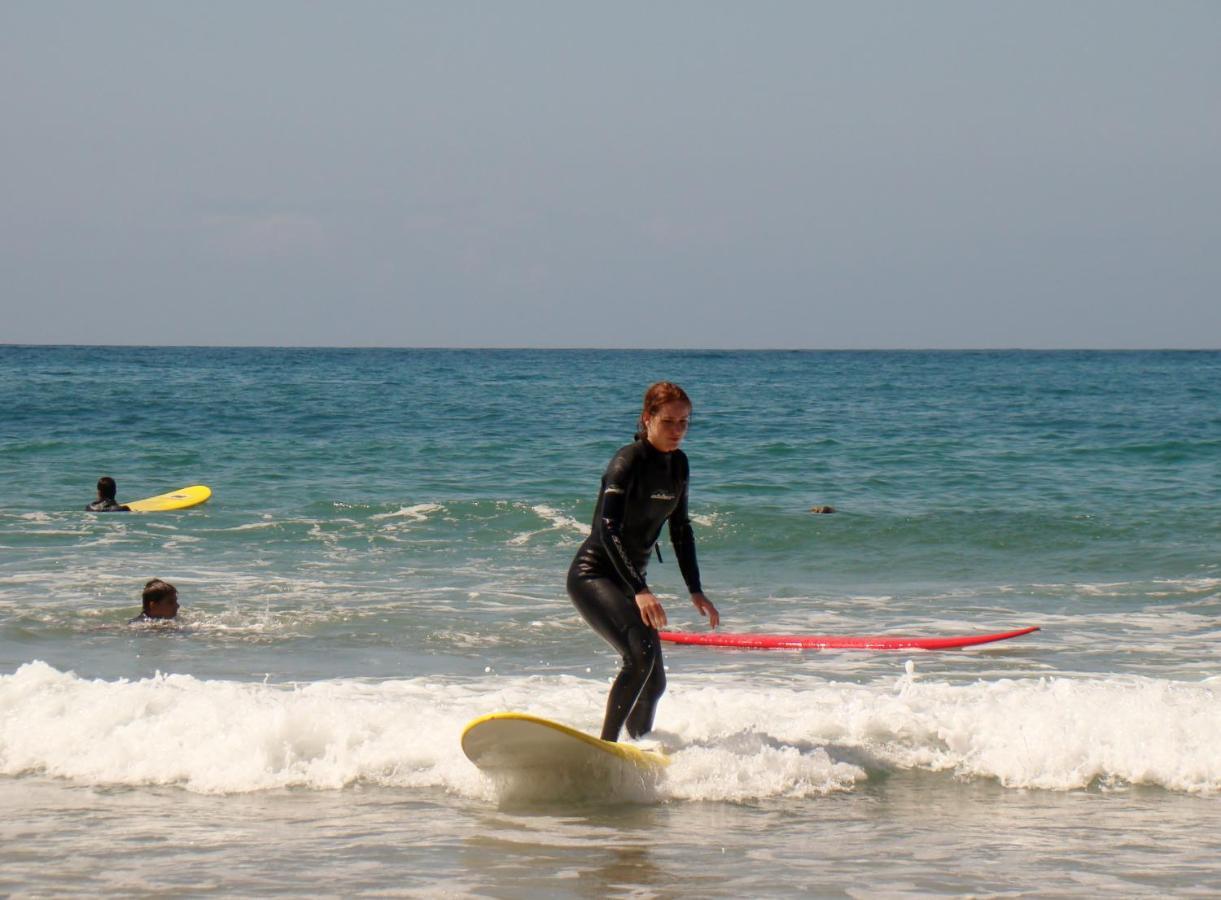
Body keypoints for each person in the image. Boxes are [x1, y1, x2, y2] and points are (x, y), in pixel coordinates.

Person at [567, 381, 719, 742]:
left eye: (684, 422)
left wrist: (695, 590)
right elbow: (608, 530)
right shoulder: (627, 462)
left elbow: (680, 529)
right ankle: (605, 746)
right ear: (646, 419)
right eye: (668, 421)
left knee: (654, 683)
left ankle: (637, 748)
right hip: (594, 575)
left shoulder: (679, 465)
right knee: (640, 657)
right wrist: (640, 589)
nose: (678, 431)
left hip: (628, 581)